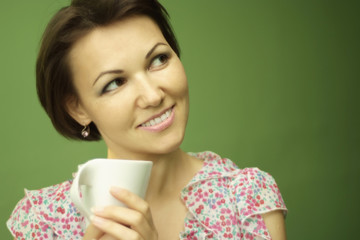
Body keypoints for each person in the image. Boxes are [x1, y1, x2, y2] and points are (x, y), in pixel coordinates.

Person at [7, 0, 287, 239]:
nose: (153, 96)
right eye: (115, 83)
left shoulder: (247, 199)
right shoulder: (43, 223)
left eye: (158, 60)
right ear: (78, 109)